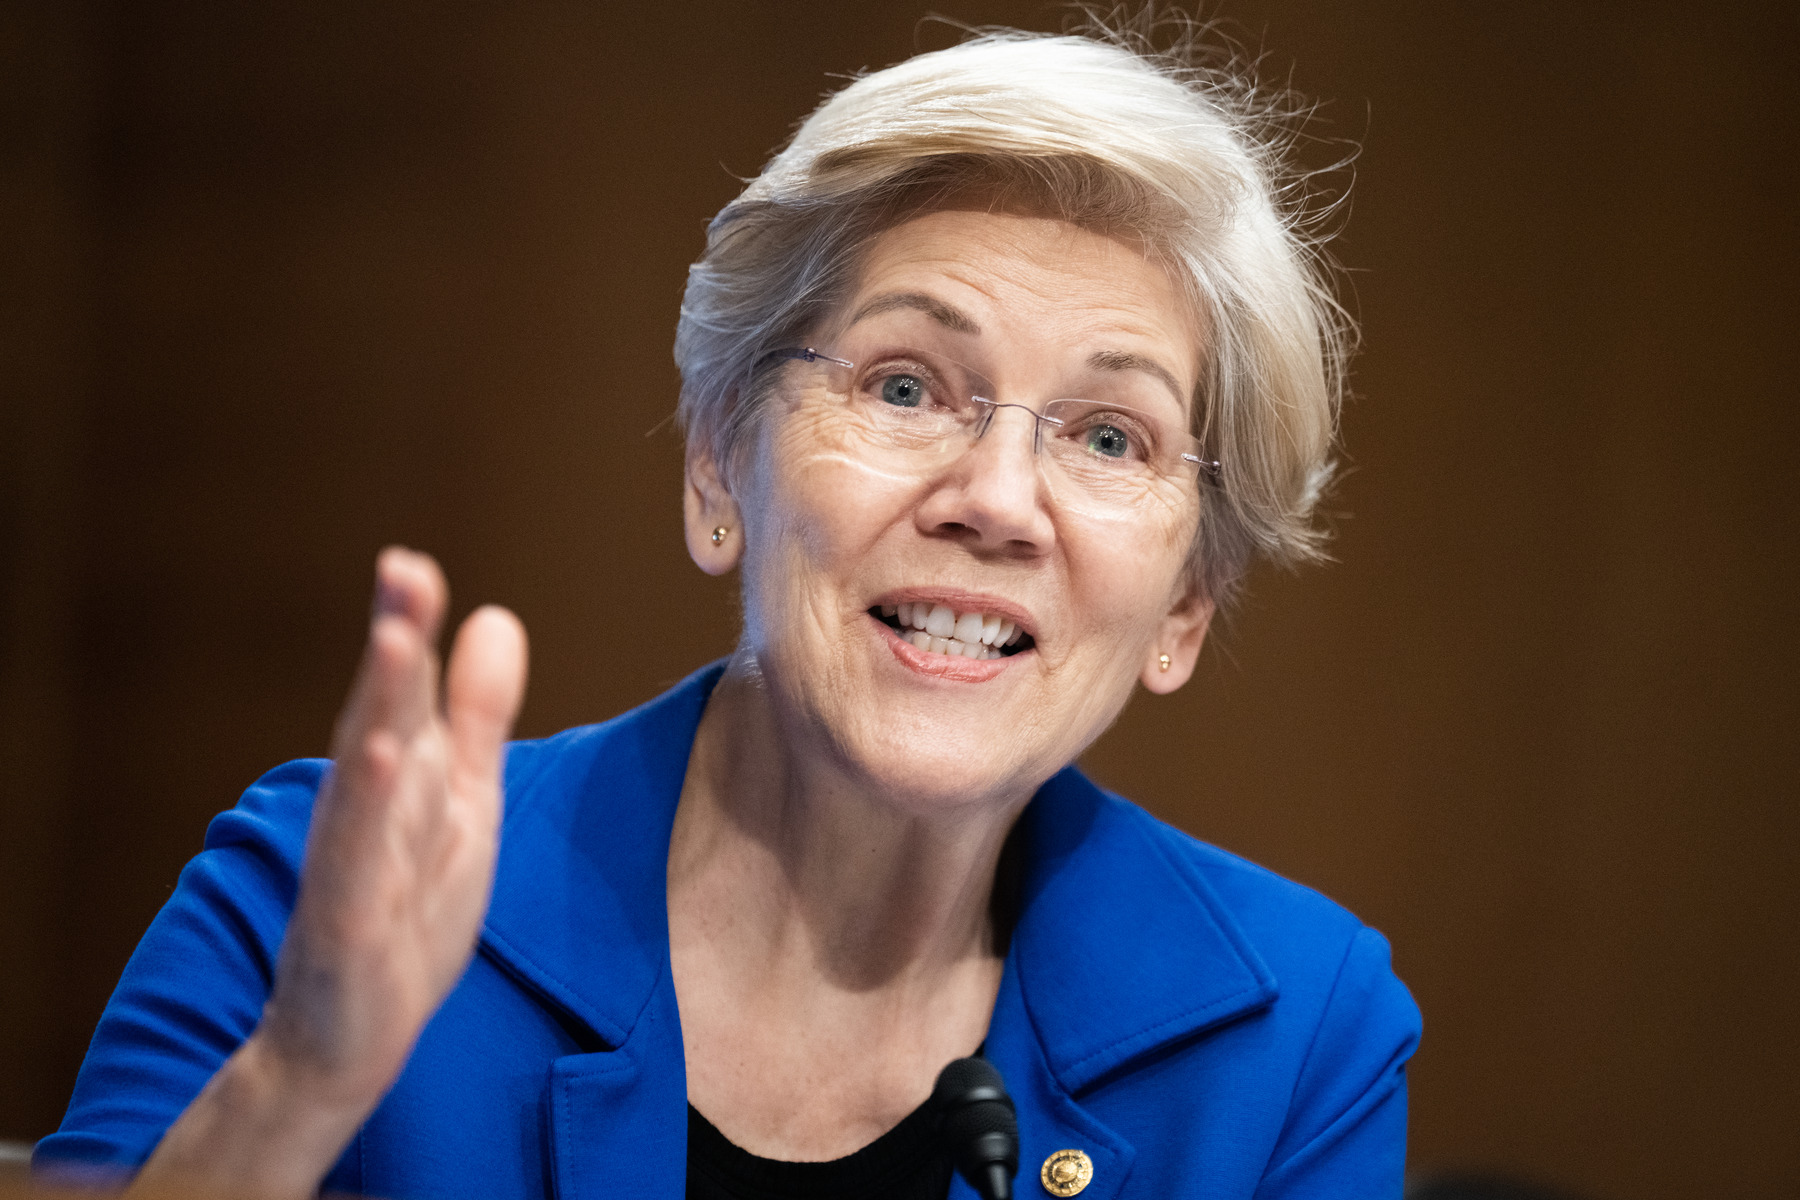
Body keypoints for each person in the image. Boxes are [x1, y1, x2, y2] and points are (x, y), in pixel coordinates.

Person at [37, 20, 1420, 1200]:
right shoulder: (324, 888)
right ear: (720, 461)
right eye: (904, 387)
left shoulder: (1295, 1036)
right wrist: (297, 1084)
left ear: (1188, 599)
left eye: (1110, 438)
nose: (995, 498)